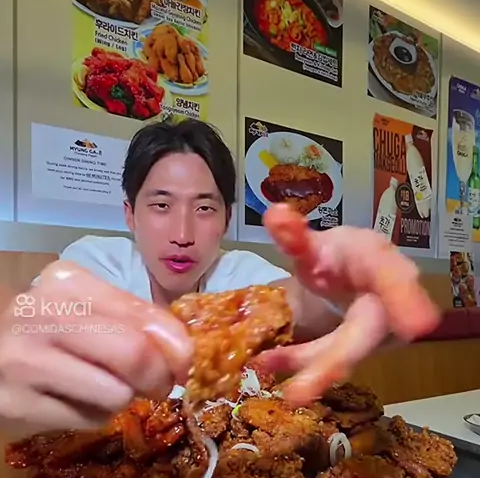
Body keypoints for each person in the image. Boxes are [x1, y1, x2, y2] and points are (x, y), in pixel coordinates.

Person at [0, 118, 439, 438]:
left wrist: (346, 289)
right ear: (130, 214)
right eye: (161, 205)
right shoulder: (96, 264)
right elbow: (40, 323)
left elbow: (295, 304)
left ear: (227, 219)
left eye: (204, 208)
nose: (183, 234)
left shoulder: (236, 273)